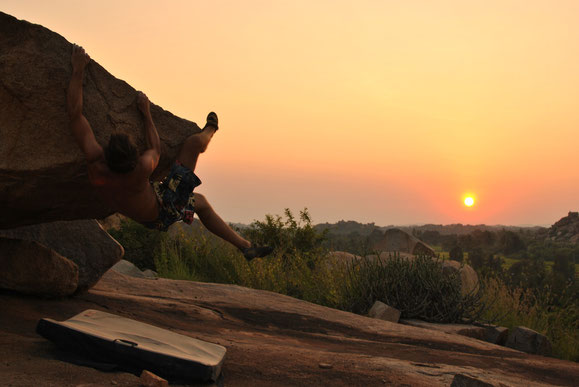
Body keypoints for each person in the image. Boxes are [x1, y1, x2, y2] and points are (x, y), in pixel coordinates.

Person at [67, 44, 272, 260]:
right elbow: (155, 148)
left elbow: (75, 114)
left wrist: (78, 70)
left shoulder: (97, 164)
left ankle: (245, 246)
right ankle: (211, 131)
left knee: (195, 186)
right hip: (164, 208)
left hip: (144, 209)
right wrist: (146, 113)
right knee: (194, 149)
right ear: (133, 160)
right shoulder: (141, 169)